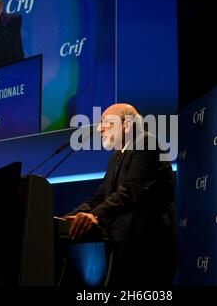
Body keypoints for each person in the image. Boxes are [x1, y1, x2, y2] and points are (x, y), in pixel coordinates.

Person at [63, 103, 178, 286]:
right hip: (123, 249)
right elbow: (100, 196)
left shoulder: (148, 144)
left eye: (106, 122)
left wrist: (95, 216)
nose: (99, 128)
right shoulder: (116, 157)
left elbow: (130, 191)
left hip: (148, 251)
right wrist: (65, 219)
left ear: (127, 125)